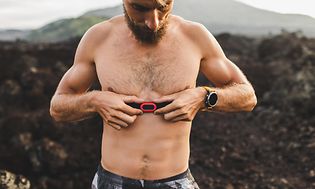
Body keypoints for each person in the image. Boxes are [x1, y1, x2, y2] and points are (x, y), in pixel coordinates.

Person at [49, 0, 257, 188]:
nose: (154, 22)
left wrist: (204, 97)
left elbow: (247, 96)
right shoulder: (99, 38)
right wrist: (95, 100)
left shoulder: (195, 36)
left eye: (163, 6)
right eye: (140, 8)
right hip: (112, 181)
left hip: (176, 181)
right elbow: (58, 107)